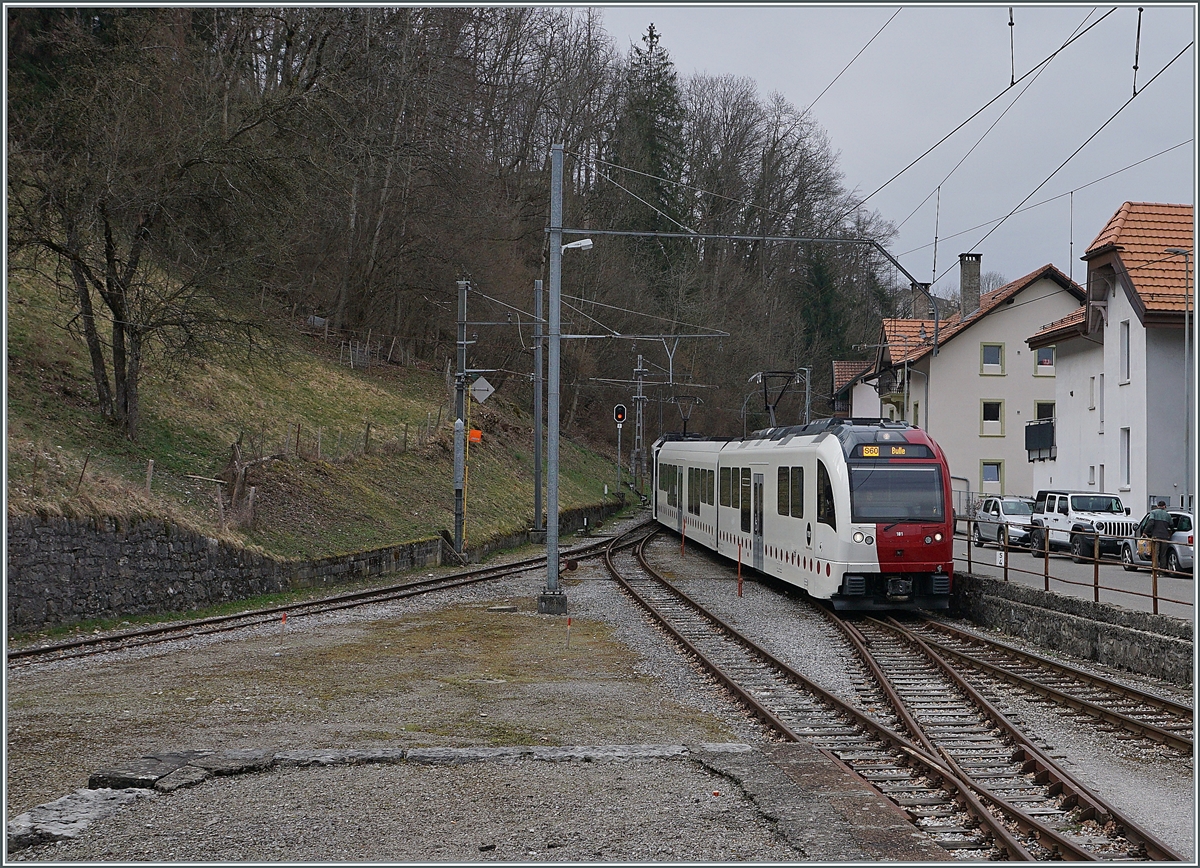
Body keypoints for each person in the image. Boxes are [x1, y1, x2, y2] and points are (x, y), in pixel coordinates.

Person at [1146, 500, 1173, 568]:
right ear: (1164, 506)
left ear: (1158, 506)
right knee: (1163, 554)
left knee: (1155, 554)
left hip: (1156, 536)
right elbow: (1172, 526)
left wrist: (1145, 532)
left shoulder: (1153, 513)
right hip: (1165, 537)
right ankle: (1162, 570)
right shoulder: (1168, 515)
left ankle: (1155, 570)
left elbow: (1151, 523)